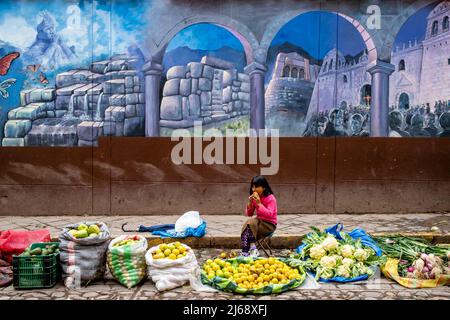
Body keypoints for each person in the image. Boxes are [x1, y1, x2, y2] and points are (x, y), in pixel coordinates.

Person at [241, 176, 277, 257]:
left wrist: (259, 204)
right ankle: (253, 249)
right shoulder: (255, 198)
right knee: (249, 223)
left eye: (256, 186)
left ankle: (248, 250)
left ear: (263, 187)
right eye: (253, 186)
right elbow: (249, 214)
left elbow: (269, 214)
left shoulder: (271, 198)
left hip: (269, 225)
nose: (254, 189)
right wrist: (250, 203)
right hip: (258, 223)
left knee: (250, 223)